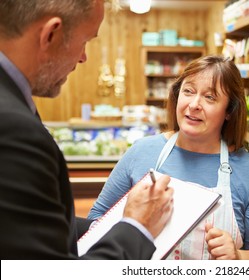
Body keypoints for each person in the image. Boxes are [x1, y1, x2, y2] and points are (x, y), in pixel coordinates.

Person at [0, 0, 174, 260]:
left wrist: (100, 228)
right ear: (51, 34)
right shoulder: (14, 129)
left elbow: (24, 228)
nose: (83, 57)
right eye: (85, 42)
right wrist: (138, 226)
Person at [88, 55, 249, 260]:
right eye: (188, 91)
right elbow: (95, 223)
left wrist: (239, 257)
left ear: (229, 110)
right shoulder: (141, 153)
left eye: (210, 97)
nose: (194, 104)